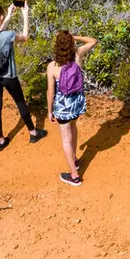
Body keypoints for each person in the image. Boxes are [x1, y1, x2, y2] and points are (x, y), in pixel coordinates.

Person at [0, 1, 44, 151]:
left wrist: (8, 15)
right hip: (8, 76)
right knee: (20, 102)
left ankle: (0, 141)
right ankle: (33, 132)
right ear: (1, 17)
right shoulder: (9, 35)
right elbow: (25, 37)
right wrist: (25, 15)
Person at [48, 30, 97, 185]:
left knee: (66, 141)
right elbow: (93, 40)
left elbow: (50, 93)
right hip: (77, 105)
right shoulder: (77, 56)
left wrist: (50, 111)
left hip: (62, 108)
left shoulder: (53, 67)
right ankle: (74, 159)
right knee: (73, 128)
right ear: (70, 44)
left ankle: (74, 176)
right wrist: (74, 37)